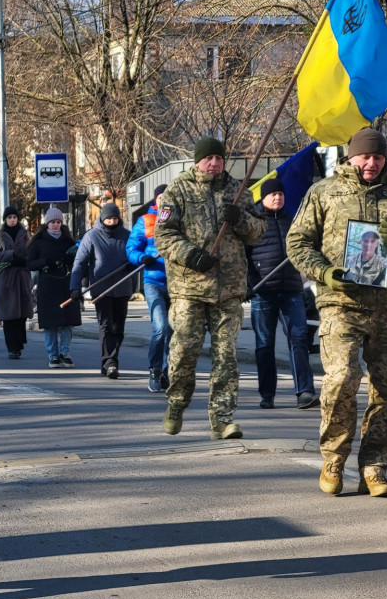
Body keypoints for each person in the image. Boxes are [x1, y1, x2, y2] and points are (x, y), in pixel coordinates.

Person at [286, 127, 387, 497]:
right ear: (350, 156)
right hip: (340, 303)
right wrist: (324, 272)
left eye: (377, 157)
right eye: (364, 156)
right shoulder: (324, 192)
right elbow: (297, 241)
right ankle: (334, 457)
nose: (371, 163)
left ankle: (375, 466)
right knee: (342, 379)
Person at [154, 136, 265, 438]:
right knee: (185, 350)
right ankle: (176, 403)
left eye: (219, 158)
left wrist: (240, 218)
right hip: (189, 287)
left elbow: (258, 230)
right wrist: (191, 256)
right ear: (197, 161)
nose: (214, 164)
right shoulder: (178, 190)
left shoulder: (237, 189)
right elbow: (163, 236)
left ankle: (222, 418)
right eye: (208, 159)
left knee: (226, 356)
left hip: (228, 289)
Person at [246, 178, 318, 410]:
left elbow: (305, 249)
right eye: (272, 194)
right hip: (263, 293)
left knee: (298, 340)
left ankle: (305, 392)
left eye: (280, 194)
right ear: (263, 198)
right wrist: (248, 283)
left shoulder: (293, 223)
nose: (277, 197)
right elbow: (242, 258)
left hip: (291, 291)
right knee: (264, 345)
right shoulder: (253, 225)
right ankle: (267, 394)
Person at [70, 202, 132, 379]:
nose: (112, 221)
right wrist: (75, 287)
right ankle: (109, 362)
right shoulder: (92, 236)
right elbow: (80, 263)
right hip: (101, 288)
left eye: (115, 218)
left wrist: (138, 260)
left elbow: (134, 255)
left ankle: (111, 359)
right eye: (109, 218)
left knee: (118, 327)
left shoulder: (127, 236)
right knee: (105, 325)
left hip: (122, 287)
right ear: (102, 218)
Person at [127, 185, 172, 392]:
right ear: (156, 199)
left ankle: (168, 371)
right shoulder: (146, 220)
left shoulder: (180, 217)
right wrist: (141, 258)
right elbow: (132, 247)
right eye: (162, 196)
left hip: (178, 283)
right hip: (154, 281)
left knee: (175, 331)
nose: (165, 199)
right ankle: (154, 369)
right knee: (160, 327)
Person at [27, 207, 80, 368]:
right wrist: (44, 262)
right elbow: (29, 263)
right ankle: (53, 355)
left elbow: (77, 260)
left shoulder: (68, 241)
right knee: (50, 322)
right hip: (47, 285)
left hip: (65, 283)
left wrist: (70, 258)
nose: (55, 225)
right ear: (47, 224)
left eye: (58, 222)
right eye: (52, 222)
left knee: (67, 321)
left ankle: (65, 352)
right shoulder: (39, 242)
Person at [0, 205, 34, 359]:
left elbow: (32, 253)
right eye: (9, 218)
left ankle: (19, 344)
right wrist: (11, 255)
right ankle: (12, 348)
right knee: (9, 315)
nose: (12, 220)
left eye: (14, 217)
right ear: (5, 220)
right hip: (6, 279)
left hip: (21, 278)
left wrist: (25, 261)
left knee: (20, 314)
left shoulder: (25, 235)